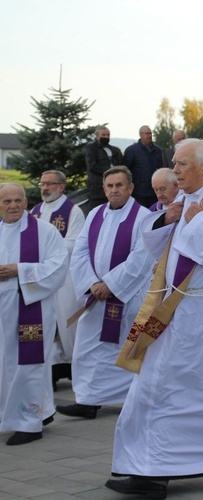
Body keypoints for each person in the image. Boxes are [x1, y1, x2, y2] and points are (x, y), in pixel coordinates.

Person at [107, 138, 203, 498]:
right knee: (157, 386)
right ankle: (151, 470)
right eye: (174, 164)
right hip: (176, 309)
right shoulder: (182, 201)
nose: (175, 171)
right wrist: (163, 220)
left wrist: (199, 221)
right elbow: (157, 248)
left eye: (182, 164)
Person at [58, 166, 153, 421]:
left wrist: (110, 284)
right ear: (104, 189)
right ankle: (88, 400)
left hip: (127, 296)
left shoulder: (143, 217)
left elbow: (141, 258)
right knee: (87, 349)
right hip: (95, 297)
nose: (114, 190)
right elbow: (80, 251)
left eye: (119, 185)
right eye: (110, 186)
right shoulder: (95, 214)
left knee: (123, 350)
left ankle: (130, 398)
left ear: (130, 188)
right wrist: (91, 283)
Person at [0, 183, 68, 445]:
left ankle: (29, 423)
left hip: (32, 307)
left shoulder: (44, 231)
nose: (13, 206)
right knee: (6, 365)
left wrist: (20, 270)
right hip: (3, 311)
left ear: (26, 202)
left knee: (29, 365)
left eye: (18, 200)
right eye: (7, 202)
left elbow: (58, 267)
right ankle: (34, 410)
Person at [30, 170, 86, 390]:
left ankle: (72, 368)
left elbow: (75, 243)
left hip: (65, 278)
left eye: (49, 184)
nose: (44, 188)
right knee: (45, 324)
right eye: (42, 183)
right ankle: (50, 372)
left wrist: (46, 250)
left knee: (66, 324)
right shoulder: (35, 211)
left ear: (61, 187)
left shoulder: (73, 211)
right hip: (40, 278)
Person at [124, 125, 163, 208]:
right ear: (140, 135)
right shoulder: (131, 151)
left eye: (150, 133)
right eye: (147, 134)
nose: (149, 136)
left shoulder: (157, 150)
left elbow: (161, 168)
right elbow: (126, 171)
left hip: (155, 191)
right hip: (138, 192)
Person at [85, 126, 123, 210]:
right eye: (103, 135)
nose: (106, 137)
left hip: (114, 189)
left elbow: (121, 165)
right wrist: (111, 172)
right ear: (97, 136)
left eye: (108, 135)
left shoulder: (115, 150)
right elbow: (92, 166)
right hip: (97, 189)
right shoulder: (91, 149)